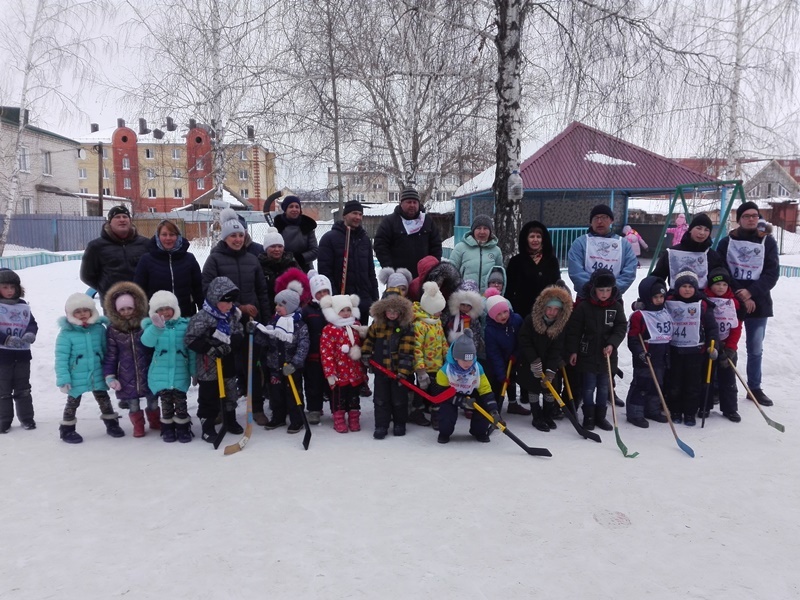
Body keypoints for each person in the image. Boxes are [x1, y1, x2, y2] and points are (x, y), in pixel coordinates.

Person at [203, 208, 271, 405]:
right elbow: (208, 291)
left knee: (252, 366)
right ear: (225, 238)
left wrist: (265, 321)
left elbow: (262, 291)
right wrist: (239, 307)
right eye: (233, 235)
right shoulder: (214, 259)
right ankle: (226, 409)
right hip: (224, 322)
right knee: (227, 367)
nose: (238, 239)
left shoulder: (252, 259)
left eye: (241, 235)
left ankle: (256, 407)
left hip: (251, 322)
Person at [717, 201, 780, 407]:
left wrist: (751, 292)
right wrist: (740, 293)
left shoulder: (768, 242)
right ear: (740, 219)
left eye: (755, 215)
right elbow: (721, 270)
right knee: (725, 344)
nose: (751, 219)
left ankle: (754, 387)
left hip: (758, 302)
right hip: (730, 301)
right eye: (747, 216)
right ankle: (721, 386)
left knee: (755, 348)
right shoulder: (727, 242)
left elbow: (772, 273)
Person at [55, 293, 124, 443]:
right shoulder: (66, 333)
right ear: (71, 314)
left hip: (98, 372)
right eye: (77, 312)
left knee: (103, 399)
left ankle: (111, 424)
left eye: (85, 310)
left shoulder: (99, 329)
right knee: (73, 401)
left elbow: (106, 352)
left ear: (92, 311)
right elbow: (61, 358)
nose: (82, 314)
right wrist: (63, 379)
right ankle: (67, 429)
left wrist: (110, 373)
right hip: (76, 375)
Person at [184, 277, 245, 444]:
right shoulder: (202, 317)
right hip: (207, 364)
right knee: (209, 394)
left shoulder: (232, 316)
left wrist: (230, 344)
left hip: (227, 361)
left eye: (232, 302)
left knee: (230, 389)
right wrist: (209, 348)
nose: (230, 306)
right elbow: (190, 338)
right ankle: (208, 425)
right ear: (214, 299)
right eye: (226, 302)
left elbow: (239, 332)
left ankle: (230, 420)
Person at [565, 269, 627, 431]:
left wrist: (612, 344)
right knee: (588, 387)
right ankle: (589, 416)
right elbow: (575, 330)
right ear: (594, 289)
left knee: (604, 387)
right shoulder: (584, 307)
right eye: (601, 290)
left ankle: (600, 416)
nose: (605, 294)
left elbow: (621, 327)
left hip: (607, 356)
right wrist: (573, 351)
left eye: (608, 290)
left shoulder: (616, 307)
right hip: (588, 354)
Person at [102, 281, 159, 435]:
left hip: (147, 371)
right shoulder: (114, 330)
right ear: (116, 310)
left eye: (129, 308)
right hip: (126, 374)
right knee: (133, 403)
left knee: (152, 399)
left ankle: (155, 421)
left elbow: (153, 347)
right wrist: (110, 375)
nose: (126, 312)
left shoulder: (144, 325)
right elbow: (111, 355)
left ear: (137, 307)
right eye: (122, 309)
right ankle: (138, 425)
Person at [664, 270, 719, 426]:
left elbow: (712, 328)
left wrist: (712, 345)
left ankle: (689, 412)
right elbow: (652, 306)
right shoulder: (669, 301)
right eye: (683, 286)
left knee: (692, 384)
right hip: (675, 350)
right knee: (675, 383)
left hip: (696, 351)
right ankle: (675, 410)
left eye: (690, 286)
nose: (687, 289)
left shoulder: (702, 305)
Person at [361, 287, 416, 439]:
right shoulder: (377, 325)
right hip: (381, 371)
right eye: (389, 311)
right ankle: (381, 425)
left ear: (401, 312)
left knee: (399, 400)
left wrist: (403, 371)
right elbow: (370, 340)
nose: (392, 314)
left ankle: (400, 423)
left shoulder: (406, 327)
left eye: (395, 311)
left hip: (398, 373)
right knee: (380, 399)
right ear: (383, 310)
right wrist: (365, 353)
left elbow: (407, 351)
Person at [429, 329, 501, 444]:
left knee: (483, 407)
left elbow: (485, 390)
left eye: (471, 359)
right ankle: (444, 432)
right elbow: (441, 394)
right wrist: (460, 401)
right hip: (451, 395)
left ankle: (479, 432)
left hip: (472, 393)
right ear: (456, 357)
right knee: (446, 413)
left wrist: (493, 410)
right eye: (464, 360)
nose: (468, 364)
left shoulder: (477, 369)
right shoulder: (445, 371)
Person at [517, 284, 574, 431]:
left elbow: (557, 348)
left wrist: (550, 369)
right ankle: (537, 417)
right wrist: (533, 360)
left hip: (549, 361)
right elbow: (524, 340)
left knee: (550, 388)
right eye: (549, 308)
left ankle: (547, 415)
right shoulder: (531, 320)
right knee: (534, 389)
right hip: (532, 361)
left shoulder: (560, 325)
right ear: (542, 307)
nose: (552, 312)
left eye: (556, 310)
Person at [141, 290, 194, 443]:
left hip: (180, 371)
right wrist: (156, 328)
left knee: (180, 401)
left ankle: (183, 428)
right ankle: (168, 429)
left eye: (167, 308)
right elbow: (146, 342)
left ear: (175, 308)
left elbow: (190, 351)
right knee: (166, 402)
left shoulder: (184, 326)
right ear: (155, 312)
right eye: (160, 310)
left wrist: (194, 371)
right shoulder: (153, 327)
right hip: (161, 372)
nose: (165, 312)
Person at [257, 284, 310, 433]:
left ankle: (297, 419)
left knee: (293, 395)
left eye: (281, 305)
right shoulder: (274, 322)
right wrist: (256, 333)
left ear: (291, 306)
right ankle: (278, 417)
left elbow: (303, 347)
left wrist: (295, 363)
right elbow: (265, 341)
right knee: (276, 395)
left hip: (292, 368)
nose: (277, 307)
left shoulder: (299, 326)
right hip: (275, 366)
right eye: (277, 304)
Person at [317, 200, 379, 321]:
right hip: (342, 303)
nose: (358, 217)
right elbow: (325, 272)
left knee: (361, 337)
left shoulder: (364, 239)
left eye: (360, 214)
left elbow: (370, 271)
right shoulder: (329, 239)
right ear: (345, 215)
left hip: (363, 300)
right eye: (354, 213)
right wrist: (335, 297)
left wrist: (374, 297)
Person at [625, 276, 671, 427]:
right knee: (642, 385)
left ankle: (652, 410)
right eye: (655, 297)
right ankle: (635, 413)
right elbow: (633, 338)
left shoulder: (665, 311)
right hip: (646, 356)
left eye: (661, 297)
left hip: (661, 356)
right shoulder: (639, 316)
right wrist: (639, 352)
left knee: (657, 384)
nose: (659, 300)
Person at [80, 205, 149, 304]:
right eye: (117, 217)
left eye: (125, 217)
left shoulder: (145, 244)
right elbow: (87, 276)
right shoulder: (96, 247)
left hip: (141, 303)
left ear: (130, 221)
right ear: (110, 222)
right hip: (112, 306)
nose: (122, 220)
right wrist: (106, 290)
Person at [134, 219, 203, 317]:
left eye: (172, 234)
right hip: (157, 317)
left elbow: (198, 288)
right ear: (158, 237)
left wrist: (203, 310)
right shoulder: (146, 260)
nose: (168, 238)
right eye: (164, 234)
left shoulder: (189, 259)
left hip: (185, 315)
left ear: (178, 236)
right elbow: (139, 290)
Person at [567, 204, 637, 298]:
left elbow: (629, 271)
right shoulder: (580, 243)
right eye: (596, 218)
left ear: (611, 220)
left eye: (604, 217)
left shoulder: (623, 244)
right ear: (591, 222)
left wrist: (612, 291)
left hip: (613, 300)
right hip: (586, 298)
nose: (599, 221)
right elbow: (575, 270)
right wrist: (591, 289)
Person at [319, 293, 367, 433]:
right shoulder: (330, 329)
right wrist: (330, 373)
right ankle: (338, 419)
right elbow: (326, 352)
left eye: (348, 310)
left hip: (355, 371)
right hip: (339, 372)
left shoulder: (356, 326)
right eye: (342, 311)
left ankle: (354, 418)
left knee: (354, 397)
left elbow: (362, 345)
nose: (346, 314)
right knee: (339, 398)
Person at [704, 267, 745, 423]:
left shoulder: (734, 303)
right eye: (717, 284)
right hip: (710, 345)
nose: (720, 287)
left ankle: (730, 409)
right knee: (705, 377)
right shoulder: (705, 301)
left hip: (727, 345)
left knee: (728, 379)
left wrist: (731, 348)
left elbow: (736, 327)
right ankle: (704, 406)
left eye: (724, 284)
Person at [373, 187, 442, 279]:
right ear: (401, 203)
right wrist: (390, 270)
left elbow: (436, 246)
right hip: (398, 278)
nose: (412, 205)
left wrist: (433, 268)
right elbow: (380, 246)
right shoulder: (390, 222)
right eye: (409, 202)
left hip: (424, 276)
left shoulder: (427, 221)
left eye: (415, 202)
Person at [0, 269, 38, 433]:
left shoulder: (23, 306)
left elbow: (32, 323)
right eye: (5, 287)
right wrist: (5, 339)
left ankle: (27, 418)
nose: (9, 291)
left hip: (22, 355)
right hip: (3, 356)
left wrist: (30, 333)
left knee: (23, 388)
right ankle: (4, 420)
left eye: (12, 287)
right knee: (3, 390)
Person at [483, 291, 530, 417]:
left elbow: (522, 339)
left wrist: (516, 354)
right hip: (498, 361)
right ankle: (495, 408)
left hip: (514, 357)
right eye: (498, 314)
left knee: (513, 379)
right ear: (492, 316)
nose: (503, 316)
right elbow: (494, 353)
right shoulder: (490, 330)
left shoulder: (516, 320)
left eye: (505, 311)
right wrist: (501, 374)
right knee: (501, 382)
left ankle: (513, 403)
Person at [410, 281, 448, 427]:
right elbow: (417, 348)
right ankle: (418, 412)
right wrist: (420, 370)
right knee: (423, 390)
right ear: (431, 309)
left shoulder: (436, 321)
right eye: (439, 309)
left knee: (436, 391)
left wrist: (447, 356)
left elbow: (443, 340)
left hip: (438, 365)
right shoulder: (420, 325)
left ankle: (436, 414)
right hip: (426, 367)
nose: (441, 313)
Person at [651, 213, 723, 289]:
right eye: (698, 228)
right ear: (690, 230)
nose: (702, 233)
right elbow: (657, 277)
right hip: (675, 298)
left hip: (704, 298)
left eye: (706, 230)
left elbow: (720, 279)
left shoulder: (712, 256)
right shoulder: (672, 253)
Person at [505, 220, 562, 316]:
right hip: (522, 311)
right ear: (526, 239)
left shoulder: (551, 260)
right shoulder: (516, 261)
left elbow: (556, 285)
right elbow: (509, 289)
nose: (535, 240)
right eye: (532, 236)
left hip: (546, 311)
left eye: (538, 237)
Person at [447, 215, 503, 293]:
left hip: (487, 297)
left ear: (490, 231)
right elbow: (451, 272)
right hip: (465, 297)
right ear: (473, 230)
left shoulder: (496, 251)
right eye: (478, 228)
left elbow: (498, 275)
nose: (482, 232)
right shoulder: (460, 247)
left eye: (485, 228)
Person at [273, 195, 319, 272]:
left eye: (297, 207)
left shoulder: (307, 225)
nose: (294, 209)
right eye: (291, 206)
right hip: (282, 267)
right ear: (285, 209)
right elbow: (272, 247)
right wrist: (285, 259)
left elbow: (315, 250)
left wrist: (300, 258)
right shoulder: (278, 226)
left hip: (305, 268)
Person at [258, 227, 301, 304]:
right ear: (266, 248)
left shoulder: (291, 263)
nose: (277, 249)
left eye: (280, 246)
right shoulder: (259, 264)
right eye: (273, 246)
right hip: (267, 305)